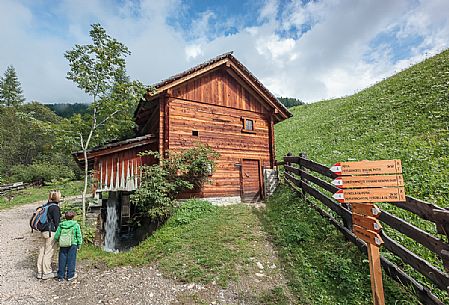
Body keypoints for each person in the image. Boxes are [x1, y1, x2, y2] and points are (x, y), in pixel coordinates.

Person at [36, 190, 61, 280]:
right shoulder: (55, 208)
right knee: (49, 252)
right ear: (57, 197)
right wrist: (60, 233)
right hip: (51, 232)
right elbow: (57, 222)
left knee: (42, 251)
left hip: (43, 231)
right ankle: (47, 272)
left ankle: (40, 272)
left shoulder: (46, 206)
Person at [54, 211, 83, 281]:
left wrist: (57, 241)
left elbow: (56, 236)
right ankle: (70, 275)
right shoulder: (76, 225)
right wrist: (79, 244)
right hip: (73, 244)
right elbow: (79, 236)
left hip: (63, 244)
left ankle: (61, 276)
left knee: (62, 259)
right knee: (71, 260)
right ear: (73, 217)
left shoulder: (61, 225)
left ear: (65, 217)